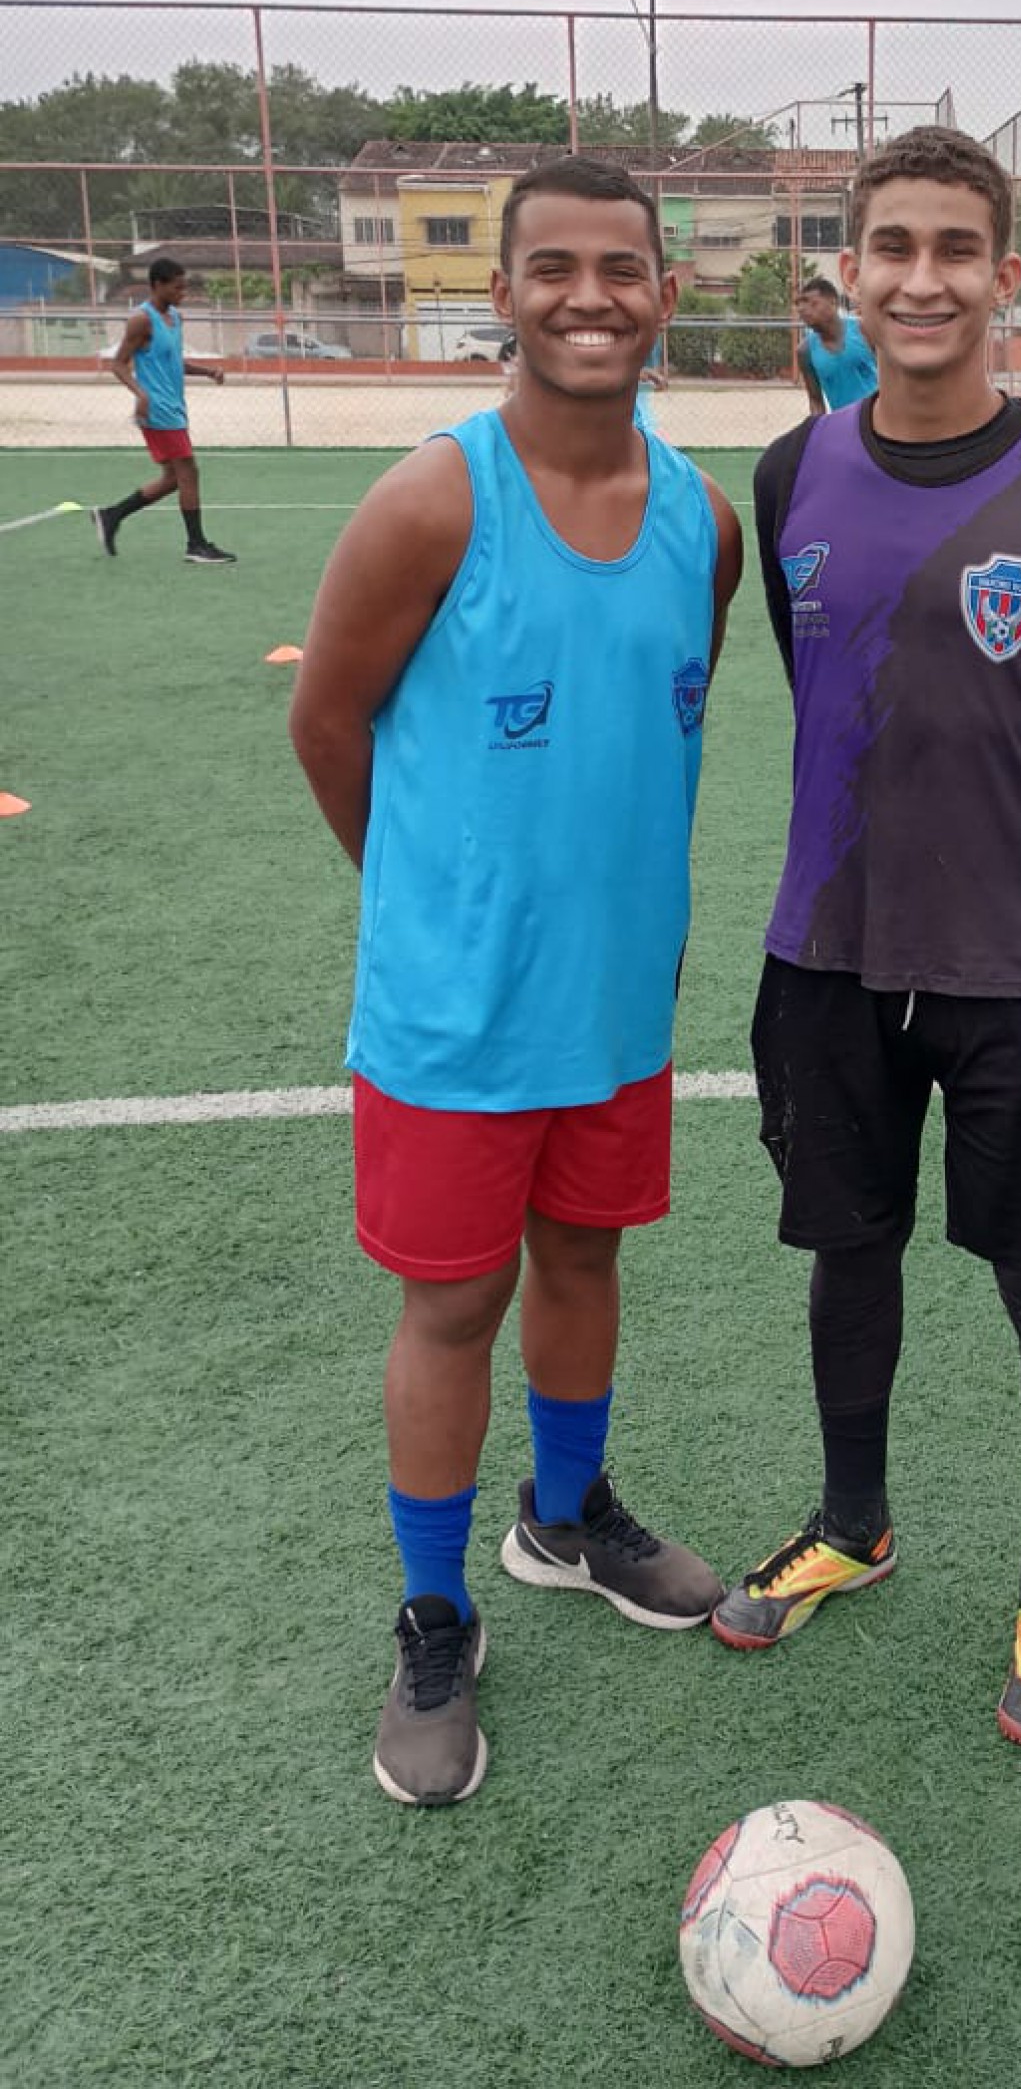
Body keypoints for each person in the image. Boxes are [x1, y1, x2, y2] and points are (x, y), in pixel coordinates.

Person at [711, 126, 1021, 1749]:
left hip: (1020, 975)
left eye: (954, 247)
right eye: (890, 245)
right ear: (852, 269)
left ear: (1003, 274)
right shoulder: (793, 473)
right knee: (852, 1248)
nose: (921, 277)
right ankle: (857, 1516)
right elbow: (815, 666)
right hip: (825, 955)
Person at [289, 156, 744, 1808]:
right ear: (506, 290)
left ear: (665, 290)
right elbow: (325, 724)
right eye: (552, 267)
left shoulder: (708, 521)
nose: (588, 297)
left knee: (585, 1257)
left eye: (620, 268)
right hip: (456, 1017)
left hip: (615, 1012)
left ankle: (568, 1513)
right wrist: (428, 908)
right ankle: (434, 1612)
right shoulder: (435, 499)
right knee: (451, 1304)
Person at [90, 256, 235, 563]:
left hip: (175, 407)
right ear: (157, 285)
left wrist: (208, 372)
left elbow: (173, 362)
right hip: (158, 411)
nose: (183, 293)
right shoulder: (141, 320)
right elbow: (118, 364)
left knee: (173, 478)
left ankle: (110, 516)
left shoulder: (175, 318)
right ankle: (196, 545)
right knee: (189, 472)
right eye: (177, 287)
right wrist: (140, 394)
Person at [795, 276, 877, 413]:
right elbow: (815, 401)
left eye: (813, 304)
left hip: (880, 420)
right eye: (800, 305)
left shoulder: (864, 329)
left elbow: (893, 375)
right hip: (844, 425)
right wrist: (817, 431)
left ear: (833, 303)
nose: (804, 310)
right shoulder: (805, 351)